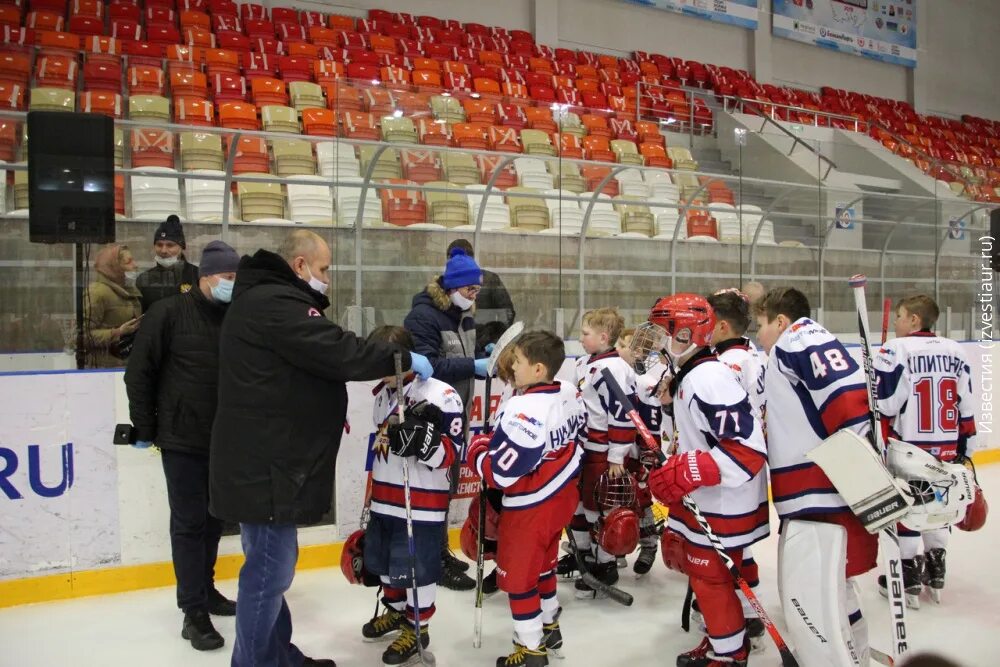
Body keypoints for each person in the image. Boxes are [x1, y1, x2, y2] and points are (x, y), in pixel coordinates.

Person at [209, 230, 434, 667]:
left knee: (269, 566)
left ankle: (278, 655)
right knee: (269, 572)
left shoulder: (265, 299)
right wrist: (400, 358)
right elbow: (336, 350)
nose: (327, 278)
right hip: (266, 463)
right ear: (299, 264)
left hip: (267, 459)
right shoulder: (276, 303)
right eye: (324, 268)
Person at [124, 240, 241, 652]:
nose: (233, 284)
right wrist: (145, 427)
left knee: (213, 522)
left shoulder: (233, 316)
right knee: (189, 523)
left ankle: (205, 590)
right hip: (181, 438)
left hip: (222, 438)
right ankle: (192, 612)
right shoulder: (168, 313)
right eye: (228, 277)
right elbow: (139, 373)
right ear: (206, 276)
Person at [753, 287, 876, 665]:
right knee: (833, 586)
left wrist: (859, 469)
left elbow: (848, 399)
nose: (758, 335)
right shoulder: (799, 343)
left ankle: (841, 658)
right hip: (817, 487)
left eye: (760, 325)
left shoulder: (800, 339)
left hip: (819, 489)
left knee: (816, 591)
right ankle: (856, 653)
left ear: (780, 321)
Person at [646, 293, 768, 667]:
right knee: (707, 576)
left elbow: (747, 449)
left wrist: (689, 470)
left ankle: (730, 655)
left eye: (664, 330)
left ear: (686, 334)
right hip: (710, 496)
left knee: (710, 578)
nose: (655, 339)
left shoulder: (709, 379)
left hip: (723, 500)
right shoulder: (693, 373)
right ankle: (725, 640)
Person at [467, 330, 585, 666]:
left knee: (519, 580)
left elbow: (501, 473)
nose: (511, 367)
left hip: (530, 506)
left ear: (537, 369)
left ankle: (531, 649)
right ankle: (550, 627)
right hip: (561, 498)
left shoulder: (525, 408)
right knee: (543, 569)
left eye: (516, 361)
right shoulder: (567, 390)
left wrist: (478, 450)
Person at [359, 326, 464, 666]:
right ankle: (397, 612)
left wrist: (425, 443)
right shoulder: (382, 395)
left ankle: (418, 627)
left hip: (420, 504)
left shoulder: (441, 395)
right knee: (387, 567)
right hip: (385, 501)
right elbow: (379, 447)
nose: (377, 372)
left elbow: (451, 453)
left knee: (417, 570)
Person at [874, 294, 977, 606]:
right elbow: (966, 405)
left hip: (909, 448)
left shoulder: (897, 349)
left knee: (910, 508)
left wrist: (873, 379)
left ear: (915, 320)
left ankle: (908, 573)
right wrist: (966, 451)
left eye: (900, 317)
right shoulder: (955, 350)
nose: (896, 323)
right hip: (945, 447)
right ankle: (936, 566)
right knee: (940, 505)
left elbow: (886, 405)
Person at [404, 246, 489, 591]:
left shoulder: (462, 315)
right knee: (433, 491)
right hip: (432, 418)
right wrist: (473, 365)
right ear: (452, 287)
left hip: (457, 416)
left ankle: (439, 551)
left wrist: (483, 356)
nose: (474, 296)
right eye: (471, 290)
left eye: (477, 290)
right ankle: (433, 559)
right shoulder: (423, 317)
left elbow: (461, 355)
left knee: (446, 488)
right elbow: (429, 367)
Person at [702, 289, 767, 646]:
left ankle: (735, 621)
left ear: (722, 325)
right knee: (743, 547)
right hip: (752, 468)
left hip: (727, 469)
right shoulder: (754, 356)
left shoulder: (724, 366)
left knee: (721, 550)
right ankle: (747, 610)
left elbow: (718, 426)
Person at [558, 307, 636, 597]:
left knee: (600, 509)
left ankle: (605, 564)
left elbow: (622, 414)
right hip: (585, 448)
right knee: (579, 505)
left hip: (602, 452)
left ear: (603, 337)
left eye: (585, 333)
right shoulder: (590, 363)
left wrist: (617, 454)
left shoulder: (611, 369)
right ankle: (585, 556)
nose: (581, 338)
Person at [614, 328, 668, 576]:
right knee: (615, 496)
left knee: (641, 499)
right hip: (617, 450)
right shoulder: (616, 375)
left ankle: (648, 544)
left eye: (623, 345)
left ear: (637, 351)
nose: (617, 349)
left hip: (637, 452)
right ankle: (617, 547)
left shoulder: (645, 383)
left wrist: (647, 459)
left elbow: (651, 424)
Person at [84, 243, 143, 368]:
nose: (135, 265)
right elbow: (81, 337)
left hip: (127, 366)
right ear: (114, 267)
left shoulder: (129, 291)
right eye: (129, 262)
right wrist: (117, 333)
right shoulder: (97, 293)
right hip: (103, 370)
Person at [136, 215, 200, 311]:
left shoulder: (196, 276)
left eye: (170, 245)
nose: (164, 250)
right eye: (159, 245)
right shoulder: (144, 279)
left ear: (182, 247)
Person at [446, 239, 515, 328]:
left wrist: (494, 336)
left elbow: (507, 312)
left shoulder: (490, 280)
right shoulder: (446, 282)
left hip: (480, 335)